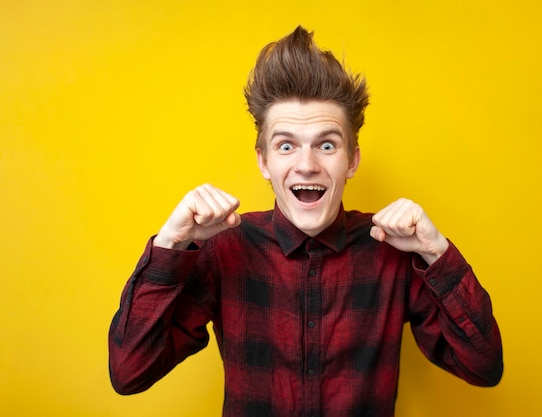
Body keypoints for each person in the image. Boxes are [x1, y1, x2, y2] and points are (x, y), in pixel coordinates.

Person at [108, 26, 503, 417]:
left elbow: (483, 367)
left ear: (352, 160)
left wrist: (436, 252)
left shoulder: (392, 250)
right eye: (286, 145)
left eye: (326, 145)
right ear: (264, 161)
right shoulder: (225, 249)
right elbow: (130, 372)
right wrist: (171, 244)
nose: (307, 165)